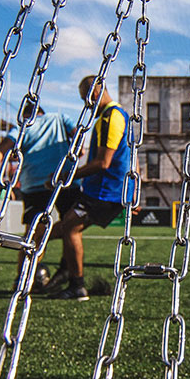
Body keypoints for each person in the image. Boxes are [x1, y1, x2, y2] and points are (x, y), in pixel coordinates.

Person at [47, 75, 134, 300]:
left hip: (106, 191)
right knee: (66, 226)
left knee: (70, 226)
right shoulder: (112, 116)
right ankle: (68, 273)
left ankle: (77, 286)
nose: (86, 104)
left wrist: (64, 177)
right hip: (105, 190)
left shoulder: (112, 117)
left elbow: (103, 163)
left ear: (95, 93)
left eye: (85, 98)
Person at [0, 102, 81, 292]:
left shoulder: (22, 126)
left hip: (35, 184)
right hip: (65, 181)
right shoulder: (59, 118)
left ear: (25, 114)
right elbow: (77, 135)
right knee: (72, 228)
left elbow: (6, 145)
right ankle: (73, 277)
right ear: (42, 111)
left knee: (34, 234)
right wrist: (77, 150)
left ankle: (22, 279)